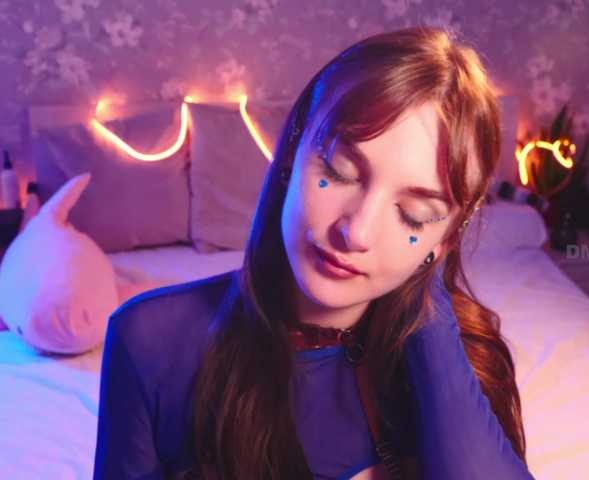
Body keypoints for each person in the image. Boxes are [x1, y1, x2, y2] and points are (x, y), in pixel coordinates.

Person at [93, 26, 536, 480]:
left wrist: (428, 305)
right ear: (292, 151)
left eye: (415, 215)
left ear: (445, 240)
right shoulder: (150, 340)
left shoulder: (471, 355)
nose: (356, 232)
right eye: (340, 172)